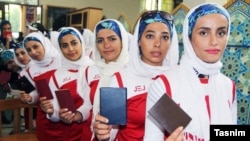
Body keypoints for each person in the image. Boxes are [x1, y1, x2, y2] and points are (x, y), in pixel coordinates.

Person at [144, 3, 237, 141]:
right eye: (204, 33)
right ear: (189, 37)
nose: (214, 41)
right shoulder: (163, 85)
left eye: (221, 33)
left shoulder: (229, 86)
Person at [93, 10, 179, 141]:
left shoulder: (179, 78)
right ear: (138, 40)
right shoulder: (120, 80)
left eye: (165, 37)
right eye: (150, 36)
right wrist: (103, 133)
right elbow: (110, 133)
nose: (157, 44)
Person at [39, 27, 94, 141]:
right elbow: (55, 116)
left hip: (95, 132)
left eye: (74, 43)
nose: (70, 49)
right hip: (71, 135)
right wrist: (51, 112)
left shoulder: (95, 69)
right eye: (64, 45)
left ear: (81, 43)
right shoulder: (56, 76)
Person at [83, 19, 130, 141]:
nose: (106, 45)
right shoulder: (90, 70)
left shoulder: (132, 71)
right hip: (94, 134)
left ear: (122, 41)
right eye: (100, 40)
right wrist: (76, 115)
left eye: (112, 39)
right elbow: (87, 105)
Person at [19, 32, 61, 141]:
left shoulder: (61, 61)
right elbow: (36, 93)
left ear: (44, 44)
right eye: (28, 50)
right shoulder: (30, 70)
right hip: (45, 118)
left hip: (66, 114)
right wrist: (30, 98)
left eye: (36, 46)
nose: (33, 52)